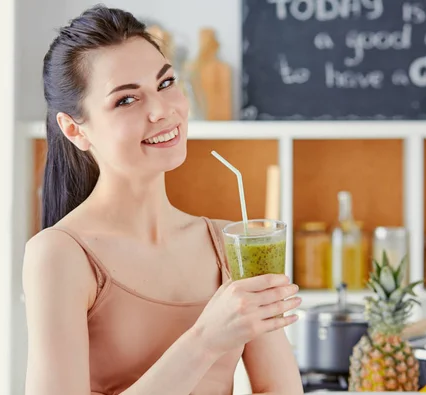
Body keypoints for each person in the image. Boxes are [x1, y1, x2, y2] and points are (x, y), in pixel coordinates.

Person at [22, 5, 303, 395]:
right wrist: (205, 340)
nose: (162, 111)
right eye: (126, 100)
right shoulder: (60, 255)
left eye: (166, 83)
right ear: (74, 129)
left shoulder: (231, 243)